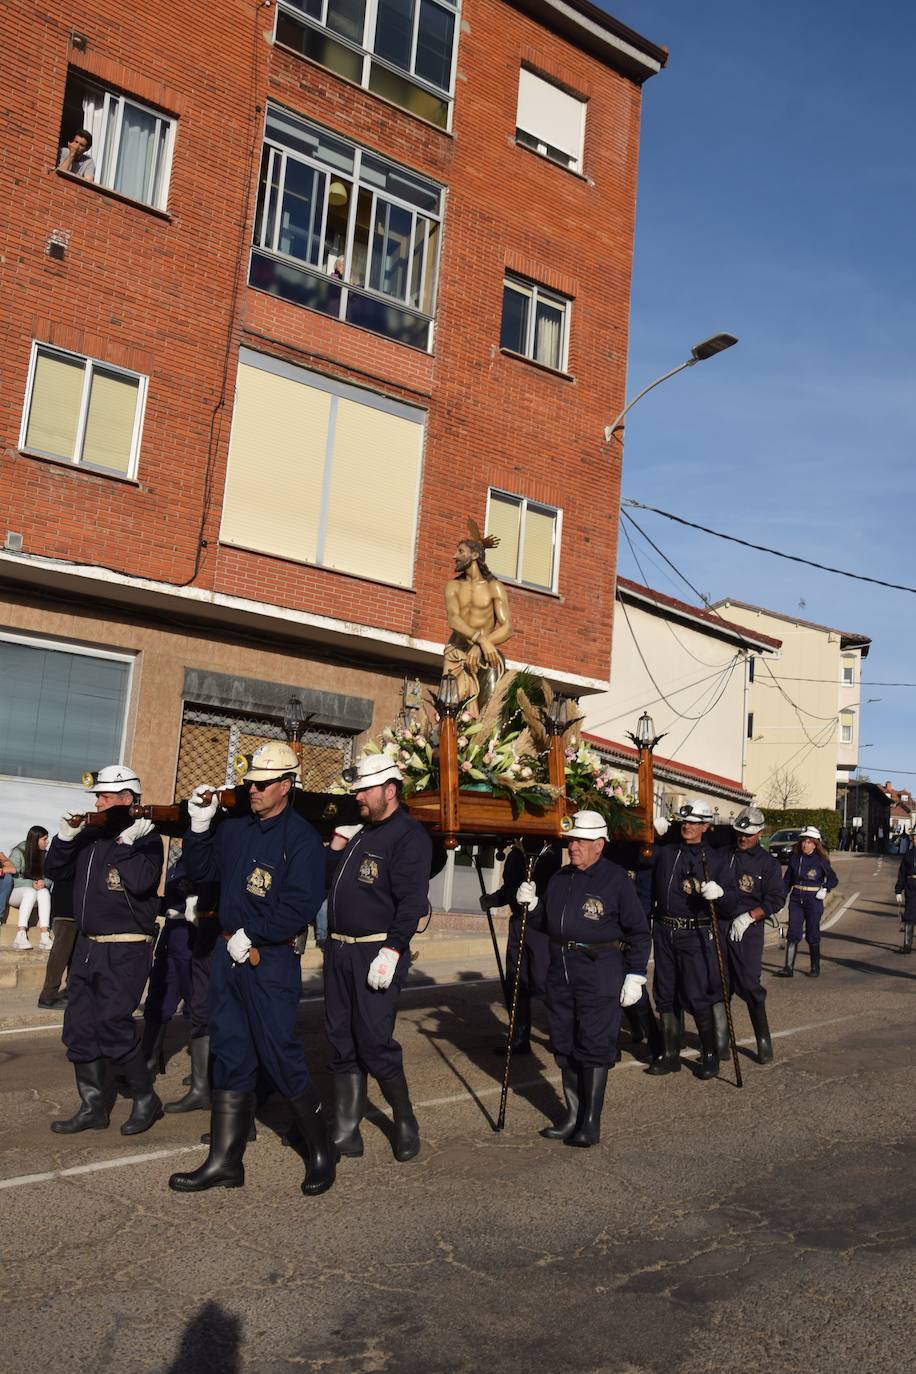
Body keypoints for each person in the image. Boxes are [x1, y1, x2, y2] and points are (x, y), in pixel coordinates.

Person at [169, 743, 334, 1196]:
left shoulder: (301, 839)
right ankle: (225, 1161)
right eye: (250, 784)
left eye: (263, 784)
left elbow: (301, 902)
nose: (254, 790)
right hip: (228, 954)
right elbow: (201, 872)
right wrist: (199, 824)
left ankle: (321, 1150)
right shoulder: (237, 828)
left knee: (279, 1053)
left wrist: (255, 932)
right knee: (230, 1052)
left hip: (269, 959)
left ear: (286, 785)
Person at [517, 810, 650, 1148]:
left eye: (580, 841)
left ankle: (590, 1120)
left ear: (599, 845)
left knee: (593, 1044)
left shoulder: (617, 880)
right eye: (571, 840)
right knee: (565, 1043)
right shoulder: (561, 878)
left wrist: (636, 974)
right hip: (561, 971)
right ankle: (572, 1115)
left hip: (599, 971)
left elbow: (638, 931)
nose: (573, 847)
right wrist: (531, 907)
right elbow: (545, 921)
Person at [44, 764, 165, 1136]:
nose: (97, 802)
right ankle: (93, 1106)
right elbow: (55, 870)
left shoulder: (146, 837)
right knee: (79, 1025)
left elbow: (143, 883)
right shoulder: (91, 836)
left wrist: (127, 847)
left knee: (113, 1022)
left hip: (126, 946)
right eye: (97, 795)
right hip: (88, 945)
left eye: (105, 796)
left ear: (127, 799)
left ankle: (145, 1098)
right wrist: (65, 838)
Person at [324, 753, 432, 1163]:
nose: (358, 797)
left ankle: (404, 1119)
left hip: (376, 951)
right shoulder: (362, 834)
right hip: (339, 948)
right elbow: (329, 883)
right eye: (357, 790)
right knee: (340, 1037)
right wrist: (336, 847)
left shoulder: (408, 836)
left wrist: (393, 948)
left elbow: (411, 901)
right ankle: (347, 1129)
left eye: (366, 790)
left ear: (390, 790)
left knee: (372, 1040)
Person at [646, 802, 738, 1081]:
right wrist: (649, 833)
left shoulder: (716, 858)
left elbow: (732, 903)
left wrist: (720, 894)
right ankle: (671, 1053)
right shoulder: (667, 851)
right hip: (663, 929)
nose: (688, 826)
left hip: (695, 933)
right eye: (685, 821)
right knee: (665, 992)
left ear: (706, 826)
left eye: (695, 822)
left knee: (698, 994)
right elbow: (636, 857)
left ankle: (710, 1054)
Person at [479, 841, 562, 1054]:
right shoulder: (515, 855)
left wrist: (536, 905)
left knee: (544, 982)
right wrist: (494, 899)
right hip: (518, 923)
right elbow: (510, 889)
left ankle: (561, 1034)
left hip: (540, 925)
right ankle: (519, 1037)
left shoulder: (546, 851)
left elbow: (551, 889)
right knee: (515, 983)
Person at [721, 807, 784, 1064]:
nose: (742, 838)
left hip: (748, 929)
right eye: (739, 833)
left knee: (748, 984)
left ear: (759, 833)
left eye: (747, 834)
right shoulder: (724, 856)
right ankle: (721, 1038)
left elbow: (776, 899)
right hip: (722, 924)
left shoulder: (768, 864)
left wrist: (750, 916)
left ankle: (763, 1039)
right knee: (719, 984)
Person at [443, 521, 514, 714]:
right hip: (456, 655)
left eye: (460, 551)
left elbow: (508, 628)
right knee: (449, 712)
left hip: (486, 657)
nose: (454, 556)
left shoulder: (494, 587)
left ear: (475, 555)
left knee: (488, 714)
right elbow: (453, 619)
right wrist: (480, 640)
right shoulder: (453, 586)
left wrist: (480, 647)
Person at [775, 826, 838, 978]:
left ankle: (815, 967)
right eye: (803, 841)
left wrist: (825, 888)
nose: (805, 845)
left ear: (816, 844)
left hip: (813, 900)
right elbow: (787, 881)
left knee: (812, 933)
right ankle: (788, 967)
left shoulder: (820, 860)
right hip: (796, 898)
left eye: (809, 842)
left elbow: (833, 879)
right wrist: (780, 901)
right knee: (793, 932)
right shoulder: (795, 859)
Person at [8, 826, 54, 950]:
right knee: (30, 892)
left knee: (44, 892)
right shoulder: (19, 852)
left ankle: (44, 935)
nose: (47, 842)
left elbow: (50, 877)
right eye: (44, 839)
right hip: (15, 893)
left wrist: (44, 883)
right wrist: (30, 884)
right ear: (36, 840)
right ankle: (20, 935)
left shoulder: (46, 855)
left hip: (36, 893)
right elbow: (10, 878)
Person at [37, 876, 77, 1008]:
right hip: (66, 903)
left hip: (78, 904)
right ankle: (48, 995)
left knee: (76, 952)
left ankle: (71, 990)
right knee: (61, 953)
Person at [893, 841, 916, 955]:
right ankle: (907, 945)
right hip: (911, 885)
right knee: (909, 914)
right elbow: (902, 873)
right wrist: (898, 890)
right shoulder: (908, 855)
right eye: (915, 838)